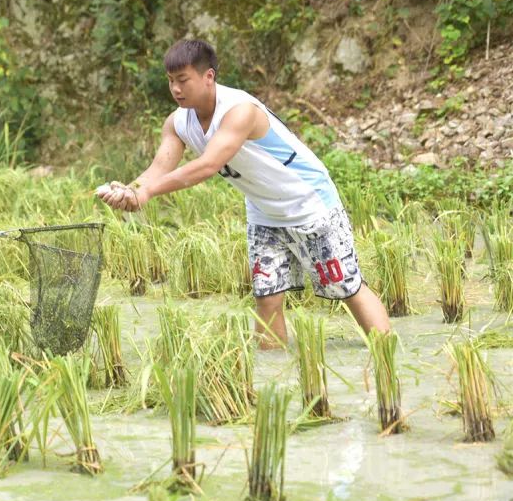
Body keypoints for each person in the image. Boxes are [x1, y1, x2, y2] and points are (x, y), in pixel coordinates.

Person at [97, 39, 390, 349]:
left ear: (208, 76)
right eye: (170, 81)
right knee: (267, 297)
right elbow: (158, 169)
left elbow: (209, 164)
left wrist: (147, 193)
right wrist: (131, 191)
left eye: (183, 80)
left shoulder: (240, 112)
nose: (176, 90)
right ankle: (273, 373)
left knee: (346, 287)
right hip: (264, 212)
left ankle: (387, 354)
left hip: (309, 202)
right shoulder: (177, 122)